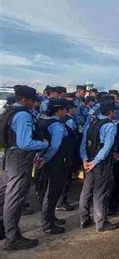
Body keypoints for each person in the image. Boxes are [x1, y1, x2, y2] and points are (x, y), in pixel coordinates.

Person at [0, 85, 49, 250]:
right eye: (32, 100)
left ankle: (6, 228)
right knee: (15, 197)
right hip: (20, 158)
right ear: (24, 100)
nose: (34, 103)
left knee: (6, 192)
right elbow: (25, 142)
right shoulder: (22, 116)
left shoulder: (10, 110)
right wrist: (43, 144)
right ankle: (12, 237)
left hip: (10, 155)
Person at [78, 100, 117, 232]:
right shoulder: (110, 126)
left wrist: (85, 160)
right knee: (100, 192)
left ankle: (84, 218)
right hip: (100, 163)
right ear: (111, 112)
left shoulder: (91, 122)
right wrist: (95, 162)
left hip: (88, 161)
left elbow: (83, 142)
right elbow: (106, 147)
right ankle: (101, 222)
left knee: (87, 190)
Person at [36, 99, 68, 235]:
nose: (66, 112)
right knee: (52, 192)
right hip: (53, 160)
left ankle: (50, 218)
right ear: (59, 110)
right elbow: (55, 146)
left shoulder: (41, 119)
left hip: (43, 159)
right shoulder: (57, 126)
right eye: (64, 109)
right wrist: (46, 158)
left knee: (48, 191)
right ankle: (47, 224)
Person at [56, 101, 80, 212]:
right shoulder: (69, 121)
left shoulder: (57, 120)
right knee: (65, 178)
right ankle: (61, 202)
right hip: (67, 152)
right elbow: (74, 135)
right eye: (74, 108)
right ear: (69, 109)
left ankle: (58, 201)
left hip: (59, 153)